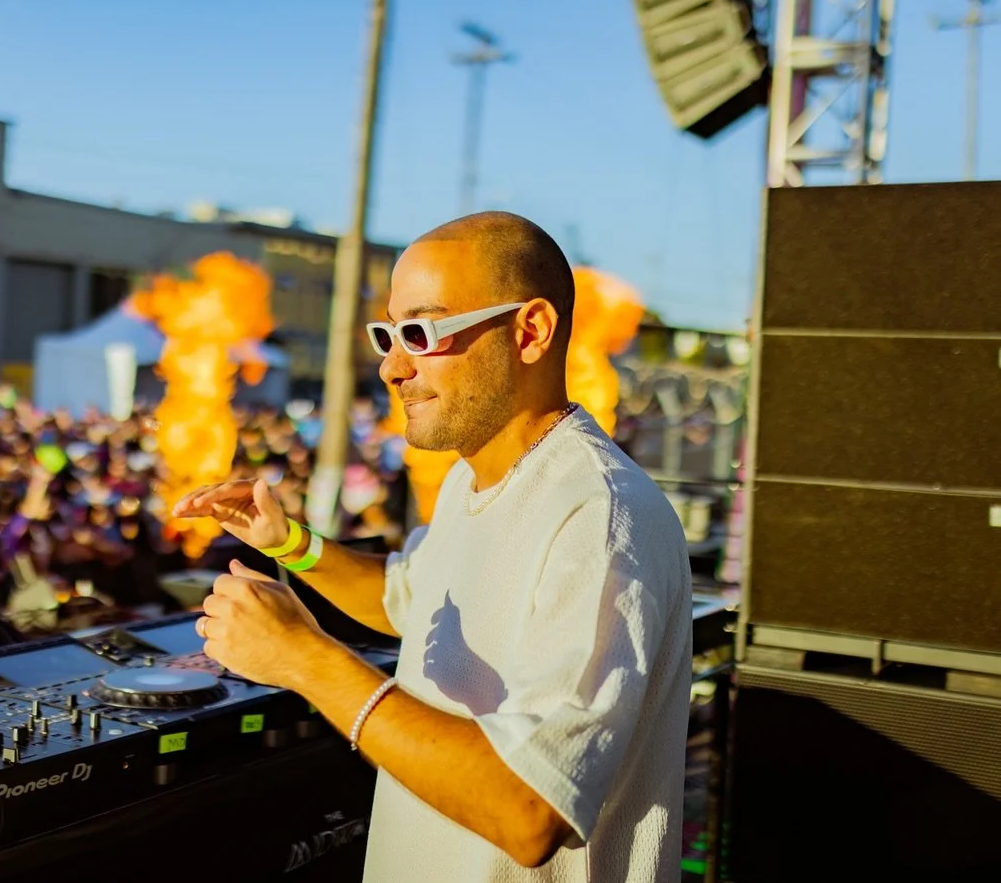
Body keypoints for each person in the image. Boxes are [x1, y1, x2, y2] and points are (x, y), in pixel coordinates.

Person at [174, 211, 692, 882]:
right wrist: (291, 543)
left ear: (529, 331)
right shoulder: (467, 480)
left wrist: (304, 659)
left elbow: (532, 808)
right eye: (387, 333)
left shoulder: (600, 512)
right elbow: (407, 603)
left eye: (422, 331)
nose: (392, 365)